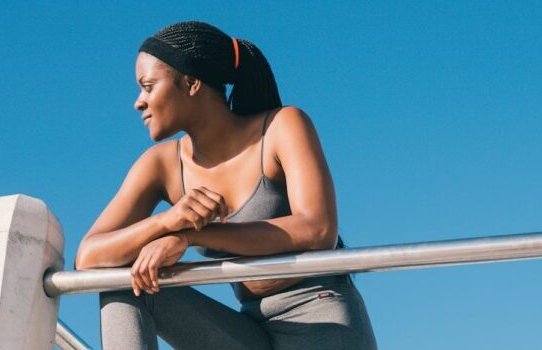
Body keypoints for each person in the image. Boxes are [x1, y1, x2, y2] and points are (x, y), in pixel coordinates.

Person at [74, 21, 377, 350]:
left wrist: (189, 235)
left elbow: (317, 230)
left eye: (148, 86)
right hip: (248, 329)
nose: (138, 102)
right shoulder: (159, 164)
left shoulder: (282, 126)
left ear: (190, 83)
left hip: (320, 317)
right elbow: (89, 256)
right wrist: (166, 221)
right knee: (123, 282)